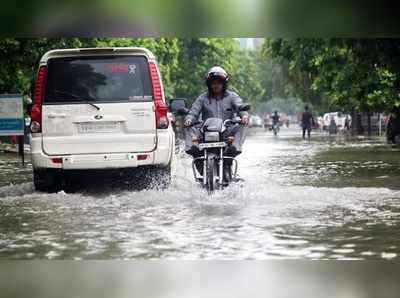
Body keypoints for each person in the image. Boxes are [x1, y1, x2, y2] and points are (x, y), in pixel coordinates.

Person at [184, 66, 249, 174]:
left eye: (219, 83)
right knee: (188, 127)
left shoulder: (232, 97)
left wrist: (244, 116)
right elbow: (193, 112)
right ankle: (195, 151)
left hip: (226, 132)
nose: (216, 85)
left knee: (242, 125)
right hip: (206, 132)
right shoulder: (202, 98)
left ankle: (232, 151)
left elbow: (240, 107)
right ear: (209, 84)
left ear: (224, 84)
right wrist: (189, 120)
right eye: (213, 83)